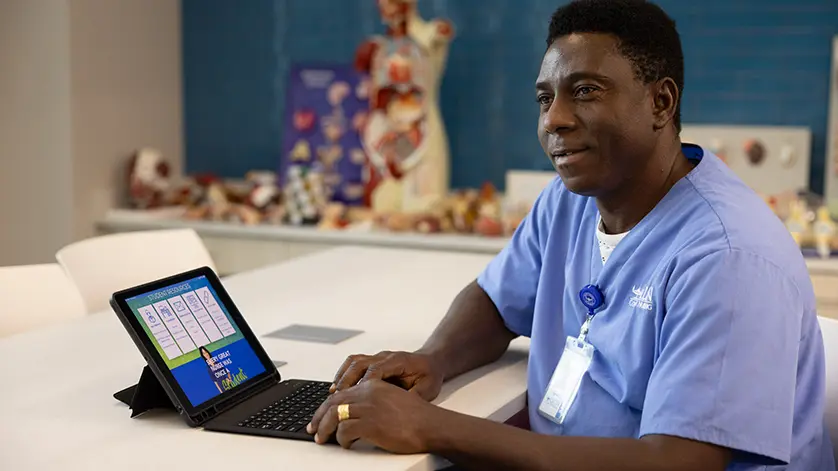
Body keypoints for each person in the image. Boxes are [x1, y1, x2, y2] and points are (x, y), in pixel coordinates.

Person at [307, 1, 835, 469]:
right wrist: (432, 360)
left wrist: (431, 427)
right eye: (544, 98)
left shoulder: (727, 256)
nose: (554, 120)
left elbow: (677, 461)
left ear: (661, 103)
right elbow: (496, 300)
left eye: (584, 91)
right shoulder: (570, 201)